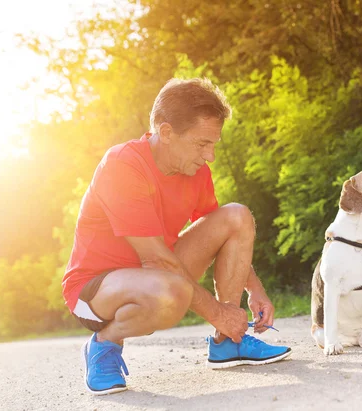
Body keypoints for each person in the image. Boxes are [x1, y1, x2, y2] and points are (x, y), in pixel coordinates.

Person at [62, 78, 291, 395]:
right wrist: (219, 313)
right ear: (166, 132)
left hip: (159, 274)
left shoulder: (196, 172)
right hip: (95, 290)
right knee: (168, 287)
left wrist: (255, 290)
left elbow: (221, 235)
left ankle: (228, 343)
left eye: (213, 144)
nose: (210, 156)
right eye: (201, 144)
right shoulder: (122, 165)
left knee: (236, 214)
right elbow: (156, 260)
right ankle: (104, 344)